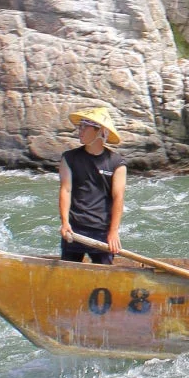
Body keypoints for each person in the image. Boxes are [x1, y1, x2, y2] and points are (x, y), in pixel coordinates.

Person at [58, 108, 126, 263]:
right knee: (68, 275)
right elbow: (66, 190)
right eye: (79, 126)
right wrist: (65, 223)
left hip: (102, 231)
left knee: (105, 278)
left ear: (99, 131)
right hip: (74, 229)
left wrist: (113, 232)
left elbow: (118, 197)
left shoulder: (116, 163)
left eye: (84, 127)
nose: (79, 131)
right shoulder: (69, 158)